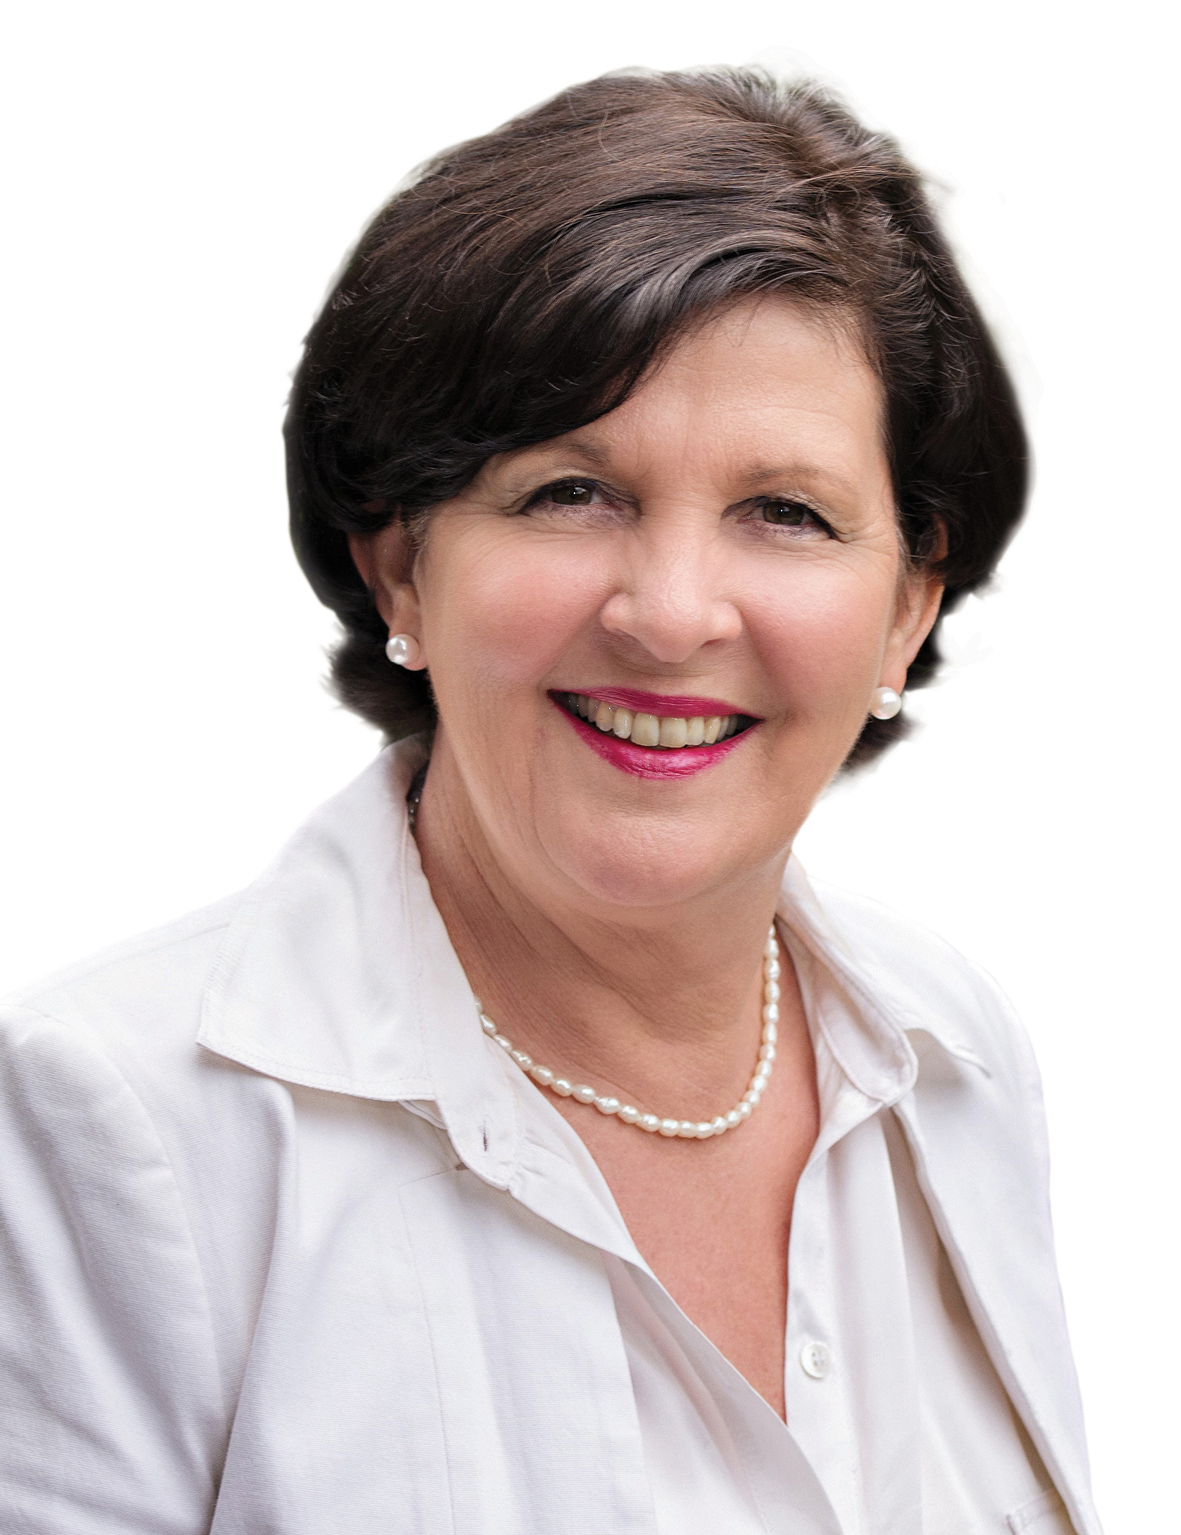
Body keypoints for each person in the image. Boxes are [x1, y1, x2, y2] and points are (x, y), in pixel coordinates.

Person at [0, 67, 1100, 1535]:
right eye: (570, 493)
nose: (670, 613)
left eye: (785, 512)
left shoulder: (949, 1056)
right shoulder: (110, 1119)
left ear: (908, 605)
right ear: (402, 564)